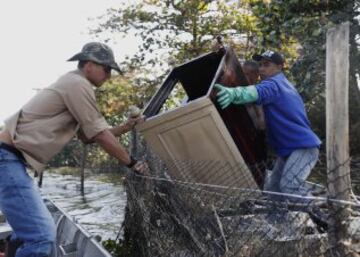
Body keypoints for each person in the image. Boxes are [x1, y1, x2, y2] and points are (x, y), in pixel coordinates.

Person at [0, 42, 148, 257]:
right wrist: (133, 163)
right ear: (89, 64)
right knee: (42, 238)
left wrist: (126, 127)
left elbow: (88, 136)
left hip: (9, 161)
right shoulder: (77, 84)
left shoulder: (73, 84)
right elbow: (100, 135)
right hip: (6, 159)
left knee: (29, 235)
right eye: (106, 69)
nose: (109, 76)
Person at [214, 50, 321, 202]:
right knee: (273, 191)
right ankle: (280, 222)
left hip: (302, 148)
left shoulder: (274, 85)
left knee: (289, 186)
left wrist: (234, 94)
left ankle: (323, 213)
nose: (261, 69)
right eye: (260, 65)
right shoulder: (284, 84)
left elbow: (256, 92)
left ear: (279, 67)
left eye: (266, 65)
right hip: (289, 151)